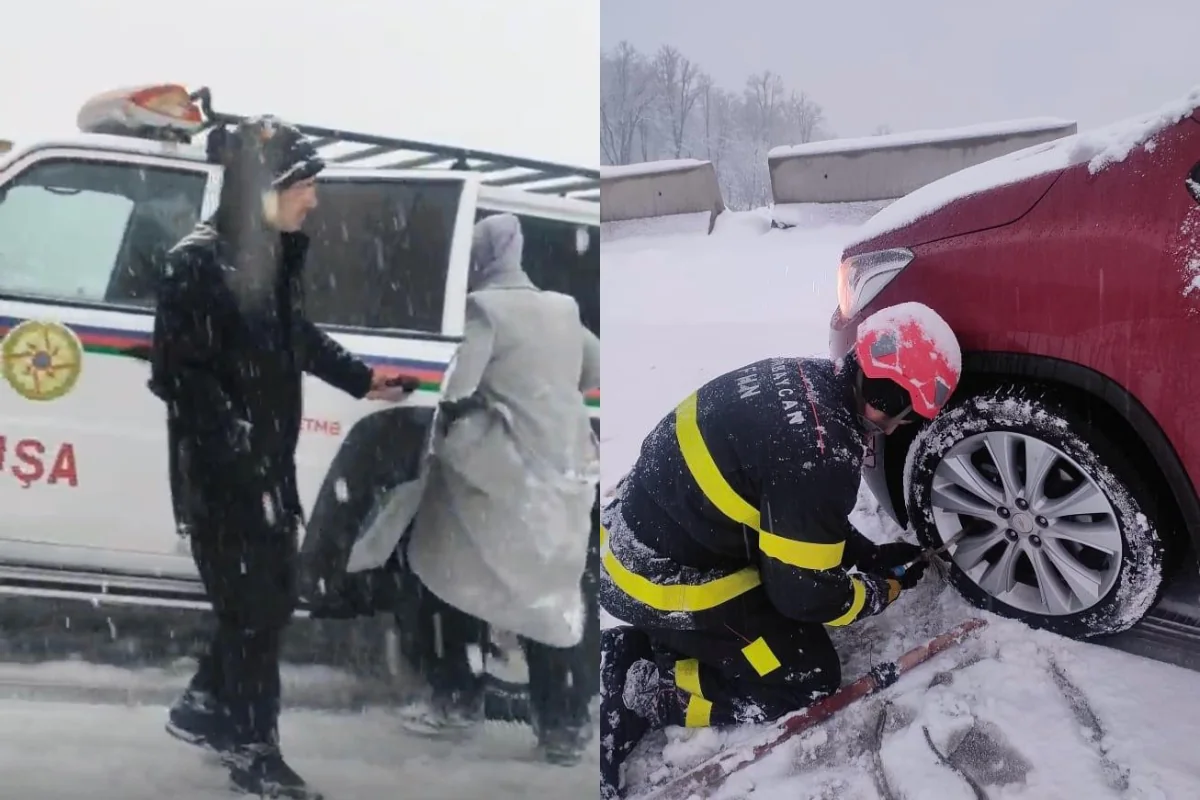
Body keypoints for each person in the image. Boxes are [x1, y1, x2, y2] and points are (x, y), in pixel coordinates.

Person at [598, 302, 963, 799]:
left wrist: (863, 554)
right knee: (804, 675)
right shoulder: (820, 453)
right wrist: (878, 592)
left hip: (642, 535)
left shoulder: (808, 382)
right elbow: (806, 599)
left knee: (783, 607)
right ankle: (652, 684)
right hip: (658, 580)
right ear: (881, 393)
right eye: (900, 413)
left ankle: (681, 641)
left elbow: (794, 517)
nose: (898, 427)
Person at [149, 115, 406, 799]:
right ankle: (255, 755)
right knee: (258, 612)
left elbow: (296, 336)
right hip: (224, 478)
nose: (314, 201)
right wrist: (239, 456)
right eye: (305, 187)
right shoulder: (197, 263)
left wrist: (362, 378)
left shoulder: (264, 257)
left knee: (260, 605)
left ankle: (203, 710)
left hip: (266, 468)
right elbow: (182, 379)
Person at [371, 213, 601, 764]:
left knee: (446, 577)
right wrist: (544, 392)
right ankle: (563, 728)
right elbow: (591, 367)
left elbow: (459, 386)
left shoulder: (486, 308)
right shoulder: (562, 308)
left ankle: (454, 701)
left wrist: (468, 415)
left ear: (480, 258)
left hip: (499, 478)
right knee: (549, 596)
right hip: (563, 475)